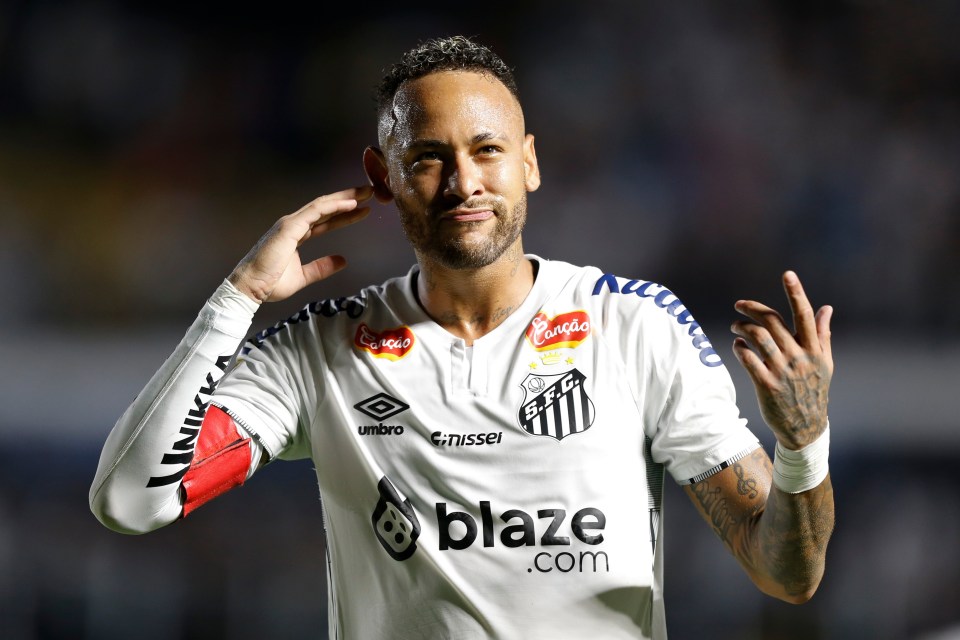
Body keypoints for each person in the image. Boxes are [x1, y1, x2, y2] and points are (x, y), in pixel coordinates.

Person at [89, 35, 835, 639]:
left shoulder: (635, 326)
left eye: (487, 150)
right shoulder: (320, 352)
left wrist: (802, 447)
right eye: (428, 158)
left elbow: (787, 574)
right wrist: (238, 298)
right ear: (383, 177)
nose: (464, 181)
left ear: (530, 163)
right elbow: (131, 499)